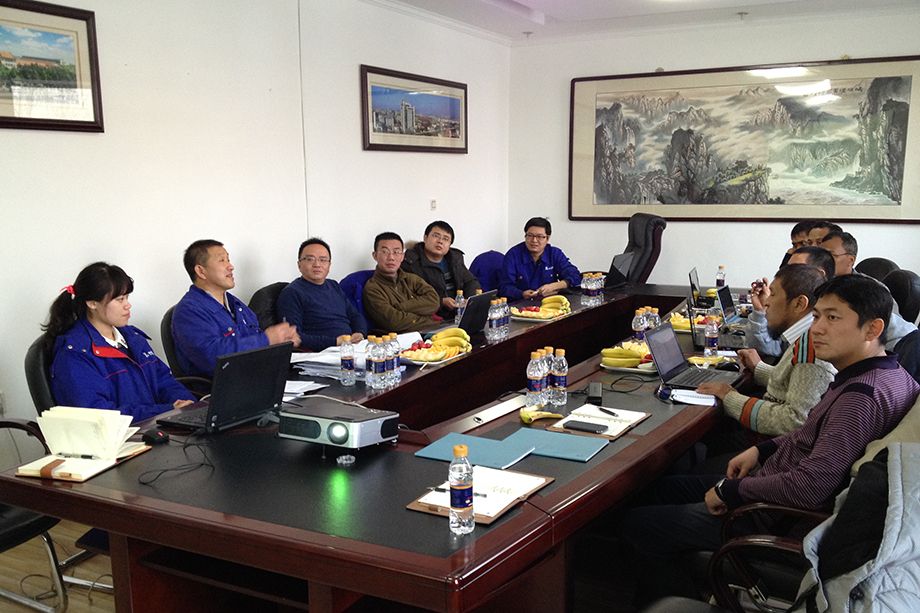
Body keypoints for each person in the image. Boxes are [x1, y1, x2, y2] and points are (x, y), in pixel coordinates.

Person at [618, 274, 920, 605]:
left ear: (873, 329)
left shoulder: (860, 398)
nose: (817, 328)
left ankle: (681, 601)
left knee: (638, 524)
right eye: (816, 316)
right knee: (660, 488)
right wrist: (762, 450)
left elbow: (810, 487)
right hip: (771, 484)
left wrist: (731, 491)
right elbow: (811, 433)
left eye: (833, 318)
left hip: (773, 515)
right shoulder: (890, 374)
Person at [45, 262, 195, 423]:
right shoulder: (75, 354)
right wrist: (166, 410)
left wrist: (187, 405)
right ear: (92, 303)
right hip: (124, 435)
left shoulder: (132, 337)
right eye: (119, 299)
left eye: (127, 297)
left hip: (156, 426)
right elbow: (98, 414)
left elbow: (164, 381)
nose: (128, 305)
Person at [698, 265, 835, 438]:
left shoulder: (812, 350)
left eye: (774, 294)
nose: (767, 301)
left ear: (799, 304)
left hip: (771, 447)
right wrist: (759, 368)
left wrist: (729, 396)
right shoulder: (804, 338)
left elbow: (795, 421)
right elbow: (796, 382)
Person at [172, 240, 300, 377]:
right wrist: (267, 339)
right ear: (201, 271)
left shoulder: (235, 304)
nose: (231, 266)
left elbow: (254, 341)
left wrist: (280, 342)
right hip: (222, 386)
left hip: (255, 376)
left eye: (228, 260)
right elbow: (213, 358)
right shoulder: (188, 312)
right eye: (222, 260)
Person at [820, 230, 916, 351]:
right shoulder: (823, 284)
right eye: (820, 256)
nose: (822, 261)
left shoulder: (869, 289)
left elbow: (897, 333)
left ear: (851, 260)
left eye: (830, 256)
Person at [276, 238, 367, 351]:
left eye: (323, 260)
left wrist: (360, 333)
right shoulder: (292, 293)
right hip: (321, 353)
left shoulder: (333, 285)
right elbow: (293, 337)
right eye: (310, 259)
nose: (317, 264)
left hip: (350, 347)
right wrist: (335, 342)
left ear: (329, 265)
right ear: (299, 264)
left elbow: (355, 316)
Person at [748, 246, 836, 357]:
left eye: (797, 268)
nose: (788, 272)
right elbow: (774, 349)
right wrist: (760, 310)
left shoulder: (814, 345)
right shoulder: (796, 330)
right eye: (788, 267)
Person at [363, 232, 441, 333]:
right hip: (401, 338)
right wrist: (426, 318)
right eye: (385, 252)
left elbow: (434, 302)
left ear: (402, 256)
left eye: (396, 252)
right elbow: (394, 322)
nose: (391, 257)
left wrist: (400, 307)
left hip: (431, 331)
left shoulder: (412, 279)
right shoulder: (373, 288)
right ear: (375, 255)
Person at [401, 220, 481, 319]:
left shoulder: (455, 259)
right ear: (425, 238)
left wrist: (468, 299)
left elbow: (471, 282)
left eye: (446, 239)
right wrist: (441, 301)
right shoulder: (410, 262)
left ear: (449, 245)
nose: (440, 241)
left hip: (457, 313)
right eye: (436, 236)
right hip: (431, 316)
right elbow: (409, 295)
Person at [500, 217, 580, 300]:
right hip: (521, 303)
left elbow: (575, 275)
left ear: (547, 238)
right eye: (530, 235)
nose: (534, 240)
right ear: (525, 236)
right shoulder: (513, 255)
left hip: (550, 301)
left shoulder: (554, 253)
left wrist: (554, 286)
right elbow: (504, 287)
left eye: (540, 236)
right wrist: (521, 294)